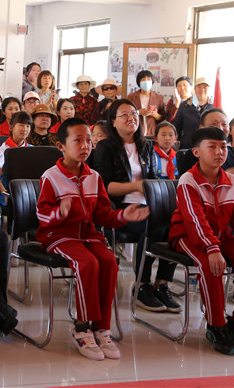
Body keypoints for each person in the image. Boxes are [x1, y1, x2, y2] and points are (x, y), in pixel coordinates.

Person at [37, 117, 149, 361]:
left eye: (89, 140)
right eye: (78, 140)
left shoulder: (94, 177)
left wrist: (123, 216)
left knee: (109, 262)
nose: (85, 146)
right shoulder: (51, 177)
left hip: (88, 236)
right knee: (87, 264)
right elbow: (42, 215)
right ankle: (82, 328)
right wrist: (60, 213)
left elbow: (102, 215)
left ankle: (101, 329)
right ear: (61, 146)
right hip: (59, 236)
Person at [170, 127, 234, 355]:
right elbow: (195, 221)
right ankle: (217, 326)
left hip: (220, 237)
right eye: (212, 147)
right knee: (209, 265)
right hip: (187, 236)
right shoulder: (188, 180)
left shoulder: (232, 181)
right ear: (196, 152)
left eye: (223, 147)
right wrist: (212, 248)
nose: (219, 152)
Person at [92, 99, 179, 313]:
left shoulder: (146, 145)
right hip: (120, 208)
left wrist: (153, 190)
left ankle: (161, 284)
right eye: (124, 115)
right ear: (113, 122)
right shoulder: (105, 147)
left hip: (147, 204)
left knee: (177, 224)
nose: (131, 118)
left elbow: (152, 179)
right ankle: (141, 285)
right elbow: (104, 187)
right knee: (152, 224)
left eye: (133, 114)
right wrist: (137, 186)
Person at [180, 108, 234, 180]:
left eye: (224, 124)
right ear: (202, 128)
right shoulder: (194, 154)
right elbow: (189, 182)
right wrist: (225, 176)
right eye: (214, 124)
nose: (220, 128)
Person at [0, 111, 31, 206]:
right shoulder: (2, 151)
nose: (25, 129)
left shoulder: (31, 149)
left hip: (26, 187)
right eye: (21, 125)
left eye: (28, 126)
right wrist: (5, 193)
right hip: (7, 188)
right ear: (11, 127)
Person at [173, 77, 212, 149]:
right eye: (199, 87)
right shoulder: (185, 105)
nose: (202, 90)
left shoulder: (215, 105)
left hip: (209, 146)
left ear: (209, 89)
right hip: (188, 146)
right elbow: (177, 127)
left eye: (205, 87)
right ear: (194, 89)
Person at [127, 70, 166, 137]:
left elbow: (163, 117)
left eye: (148, 79)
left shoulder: (158, 97)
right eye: (143, 80)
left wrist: (155, 115)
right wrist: (138, 112)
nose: (146, 82)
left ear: (152, 81)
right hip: (136, 132)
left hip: (152, 132)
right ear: (139, 82)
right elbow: (126, 114)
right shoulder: (131, 97)